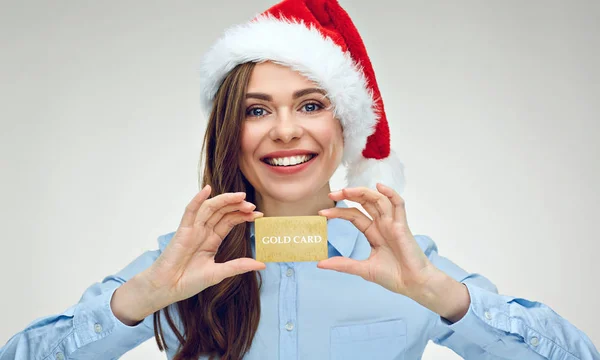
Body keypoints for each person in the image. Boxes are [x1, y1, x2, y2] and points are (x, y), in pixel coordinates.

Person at [1, 0, 598, 359]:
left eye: (311, 105)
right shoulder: (176, 267)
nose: (285, 130)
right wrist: (138, 301)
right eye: (257, 110)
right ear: (231, 131)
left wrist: (446, 299)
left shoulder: (403, 265)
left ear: (345, 126)